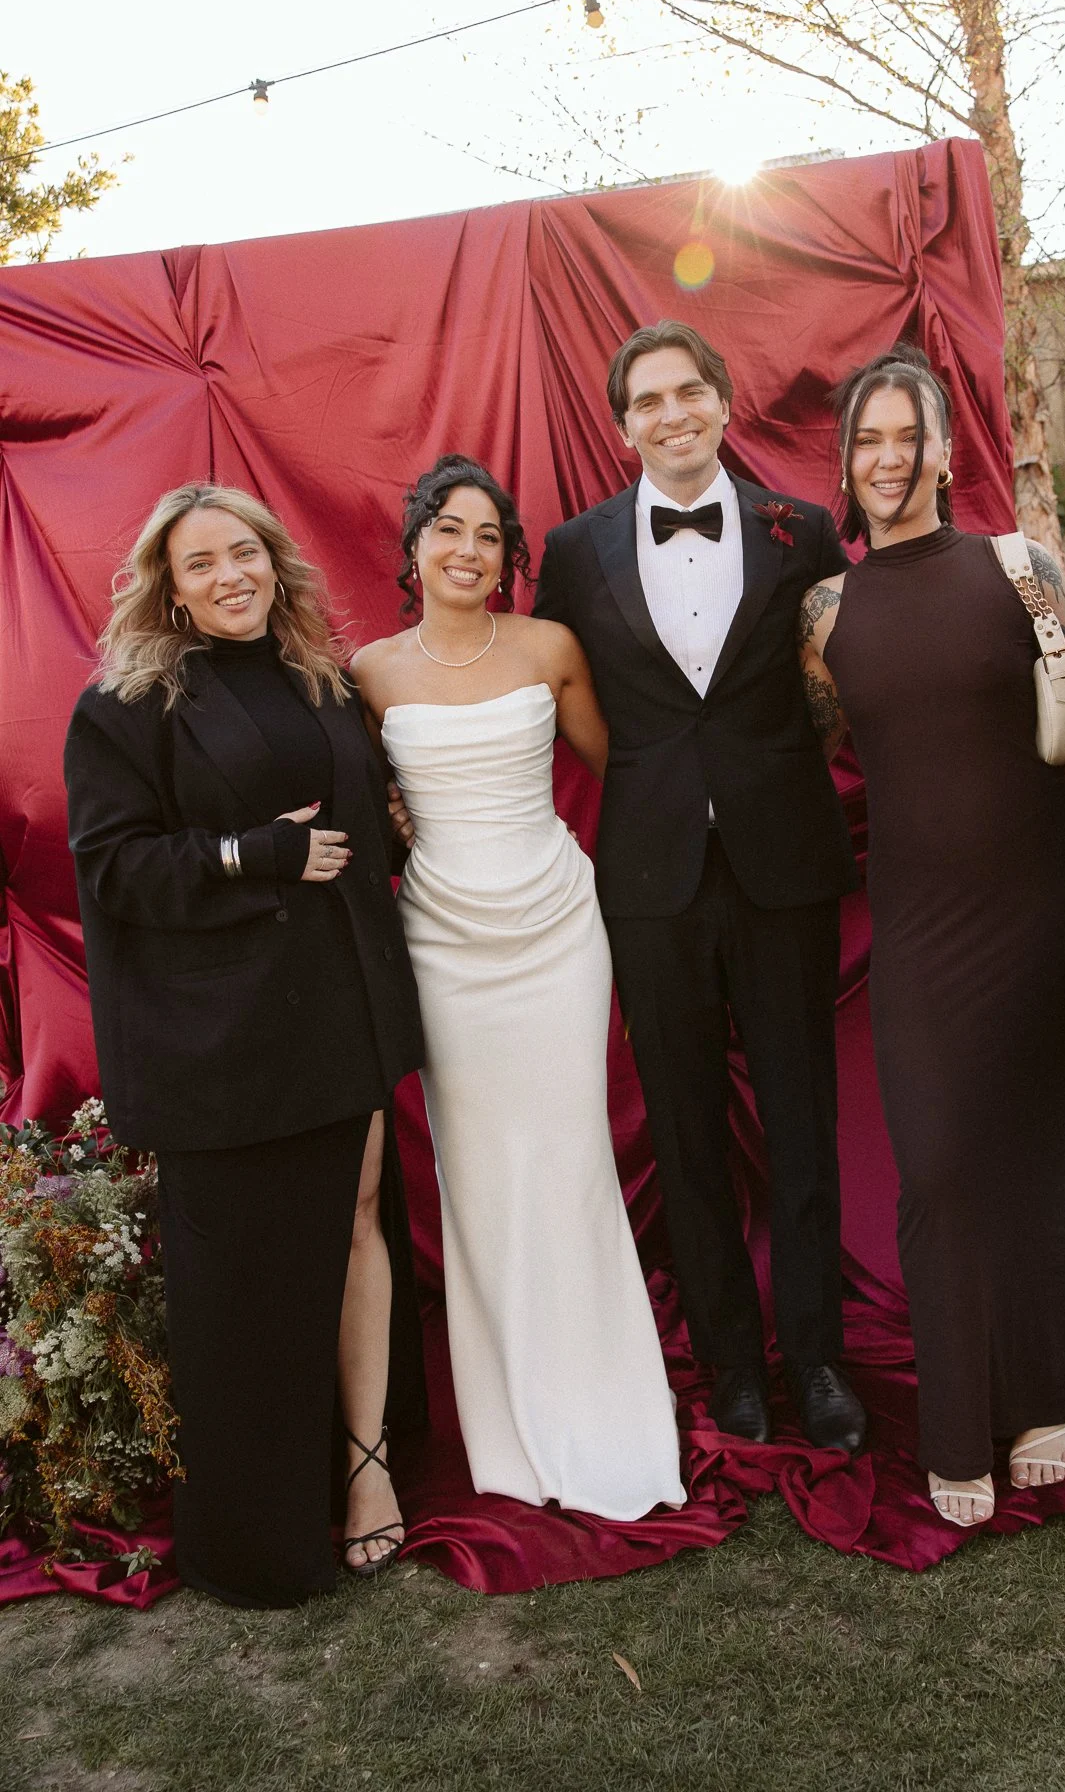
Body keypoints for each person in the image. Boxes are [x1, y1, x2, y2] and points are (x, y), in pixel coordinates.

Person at [63, 484, 426, 1607]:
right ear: (168, 585)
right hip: (223, 1047)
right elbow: (114, 870)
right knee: (246, 1287)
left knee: (361, 1231)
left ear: (275, 560)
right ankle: (260, 1536)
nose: (230, 575)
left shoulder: (320, 677)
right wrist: (249, 853)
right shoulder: (124, 705)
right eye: (201, 562)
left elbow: (358, 827)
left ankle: (367, 1471)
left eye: (245, 552)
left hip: (345, 1010)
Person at [534, 320, 866, 1455]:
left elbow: (838, 685)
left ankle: (816, 1358)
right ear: (621, 421)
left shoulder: (803, 530)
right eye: (646, 401)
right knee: (683, 1126)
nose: (671, 415)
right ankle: (731, 1364)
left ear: (724, 402)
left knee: (802, 1114)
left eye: (689, 393)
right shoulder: (574, 552)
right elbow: (557, 695)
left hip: (784, 867)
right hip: (649, 875)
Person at [797, 344, 1065, 1526]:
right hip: (919, 918)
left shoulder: (1018, 566)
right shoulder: (825, 609)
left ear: (944, 447)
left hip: (1037, 899)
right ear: (847, 460)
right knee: (936, 1165)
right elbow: (823, 750)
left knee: (1039, 1157)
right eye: (865, 440)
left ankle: (1045, 1395)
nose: (887, 458)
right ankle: (954, 1416)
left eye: (906, 435)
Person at [353, 457, 684, 1522]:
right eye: (448, 528)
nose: (468, 548)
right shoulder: (368, 671)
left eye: (490, 534)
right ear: (414, 546)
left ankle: (607, 1405)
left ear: (510, 556)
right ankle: (505, 1423)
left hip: (554, 929)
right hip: (443, 942)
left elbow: (625, 776)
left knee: (572, 1159)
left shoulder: (548, 648)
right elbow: (365, 807)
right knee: (480, 1176)